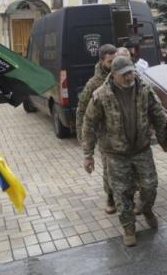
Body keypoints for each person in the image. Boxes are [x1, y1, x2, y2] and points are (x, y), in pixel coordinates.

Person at [82, 56, 167, 246]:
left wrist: (164, 140)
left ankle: (146, 209)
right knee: (122, 193)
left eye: (131, 72)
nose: (129, 77)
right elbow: (88, 124)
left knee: (150, 185)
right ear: (113, 75)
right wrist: (88, 155)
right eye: (124, 74)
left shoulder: (144, 89)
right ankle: (129, 227)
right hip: (115, 154)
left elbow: (158, 114)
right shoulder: (101, 95)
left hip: (141, 149)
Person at [76, 44, 117, 214]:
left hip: (125, 132)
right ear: (102, 61)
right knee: (109, 168)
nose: (113, 64)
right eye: (110, 61)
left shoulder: (122, 75)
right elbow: (82, 111)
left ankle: (127, 197)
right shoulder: (94, 84)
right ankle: (111, 197)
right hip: (106, 135)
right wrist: (84, 141)